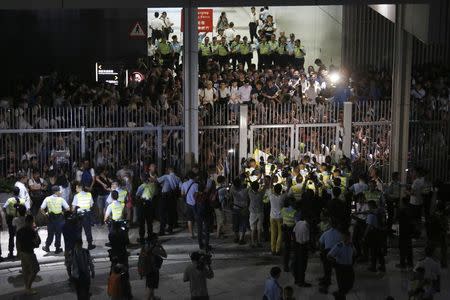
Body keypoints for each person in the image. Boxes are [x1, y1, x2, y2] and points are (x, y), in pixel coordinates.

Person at [16, 214, 41, 295]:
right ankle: (28, 288)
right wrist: (37, 233)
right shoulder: (32, 231)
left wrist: (19, 253)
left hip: (22, 253)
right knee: (35, 270)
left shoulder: (20, 230)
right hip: (30, 253)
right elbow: (37, 244)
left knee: (25, 271)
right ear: (31, 222)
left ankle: (27, 288)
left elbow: (17, 243)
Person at [41, 185, 70, 254]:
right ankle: (57, 249)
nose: (60, 192)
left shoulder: (47, 199)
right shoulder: (61, 199)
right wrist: (63, 213)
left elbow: (42, 208)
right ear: (56, 192)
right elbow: (68, 209)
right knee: (58, 234)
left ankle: (47, 247)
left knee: (50, 234)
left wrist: (45, 214)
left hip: (50, 218)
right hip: (59, 218)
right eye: (59, 191)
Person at [138, 234, 167, 300]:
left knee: (150, 284)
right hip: (153, 269)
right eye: (157, 238)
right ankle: (148, 298)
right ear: (154, 240)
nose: (158, 240)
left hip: (146, 268)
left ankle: (153, 297)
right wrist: (161, 247)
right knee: (152, 286)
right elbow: (165, 255)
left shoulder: (145, 246)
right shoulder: (155, 248)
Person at [327, 231, 355, 300]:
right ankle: (340, 296)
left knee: (350, 284)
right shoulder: (338, 246)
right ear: (342, 238)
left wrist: (353, 261)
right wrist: (335, 263)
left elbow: (354, 253)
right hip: (340, 268)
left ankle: (339, 294)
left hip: (349, 267)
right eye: (344, 237)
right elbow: (329, 255)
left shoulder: (351, 245)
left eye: (348, 237)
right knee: (342, 286)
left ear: (350, 237)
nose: (346, 239)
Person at [3, 187, 27, 259]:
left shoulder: (9, 200)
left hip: (11, 219)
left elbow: (4, 207)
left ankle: (11, 253)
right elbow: (26, 209)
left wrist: (7, 213)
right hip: (20, 219)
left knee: (11, 236)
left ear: (12, 192)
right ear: (19, 192)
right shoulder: (22, 200)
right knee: (20, 237)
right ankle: (20, 253)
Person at [318, 224, 342, 293]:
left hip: (328, 254)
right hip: (337, 255)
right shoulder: (340, 234)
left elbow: (320, 243)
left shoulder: (326, 233)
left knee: (327, 268)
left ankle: (326, 283)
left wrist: (321, 252)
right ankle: (339, 285)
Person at [72, 182, 96, 250]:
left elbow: (73, 207)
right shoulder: (89, 194)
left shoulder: (76, 196)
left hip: (79, 214)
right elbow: (91, 204)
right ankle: (90, 245)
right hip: (87, 214)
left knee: (78, 231)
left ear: (80, 188)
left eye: (76, 187)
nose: (75, 189)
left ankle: (79, 246)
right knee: (88, 230)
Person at [157, 166, 181, 235]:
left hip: (164, 196)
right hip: (172, 196)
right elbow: (180, 187)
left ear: (169, 170)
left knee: (162, 213)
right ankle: (170, 229)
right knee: (170, 213)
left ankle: (162, 230)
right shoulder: (178, 178)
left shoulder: (166, 176)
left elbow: (157, 180)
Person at [136, 174, 157, 244]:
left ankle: (142, 238)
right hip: (150, 204)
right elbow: (154, 194)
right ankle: (150, 236)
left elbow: (137, 195)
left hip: (143, 204)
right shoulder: (153, 185)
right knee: (149, 222)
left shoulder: (142, 186)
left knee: (141, 222)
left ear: (142, 179)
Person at [292, 212, 312, 287]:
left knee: (297, 263)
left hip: (296, 245)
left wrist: (295, 243)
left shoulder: (298, 223)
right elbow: (306, 240)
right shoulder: (306, 226)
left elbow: (293, 232)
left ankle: (296, 280)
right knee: (302, 265)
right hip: (302, 247)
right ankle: (301, 281)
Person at [267, 183, 286, 255]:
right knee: (280, 234)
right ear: (280, 190)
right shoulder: (282, 197)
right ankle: (278, 249)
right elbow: (288, 190)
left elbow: (269, 186)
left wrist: (272, 177)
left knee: (273, 233)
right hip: (280, 217)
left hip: (272, 217)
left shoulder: (271, 196)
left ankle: (273, 249)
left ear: (274, 190)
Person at [230, 177, 249, 244]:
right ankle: (241, 239)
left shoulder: (233, 190)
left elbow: (233, 185)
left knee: (235, 223)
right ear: (240, 184)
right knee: (243, 224)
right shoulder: (245, 191)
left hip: (235, 208)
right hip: (243, 209)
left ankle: (236, 237)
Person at [62, 211, 81, 278]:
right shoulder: (71, 224)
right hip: (74, 247)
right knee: (74, 263)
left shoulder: (65, 225)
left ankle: (70, 276)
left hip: (68, 248)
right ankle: (73, 276)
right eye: (71, 216)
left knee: (69, 264)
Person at [396, 197, 414, 269]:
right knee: (409, 247)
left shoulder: (402, 210)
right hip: (409, 231)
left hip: (403, 231)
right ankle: (410, 262)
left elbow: (397, 218)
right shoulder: (411, 209)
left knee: (402, 248)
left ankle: (402, 263)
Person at [181, 172, 199, 239]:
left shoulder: (184, 184)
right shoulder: (196, 185)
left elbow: (182, 194)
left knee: (189, 219)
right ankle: (199, 232)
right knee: (197, 219)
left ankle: (191, 234)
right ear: (194, 177)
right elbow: (196, 195)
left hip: (188, 204)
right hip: (195, 204)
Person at [281, 197, 296, 272]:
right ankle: (293, 265)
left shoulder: (283, 210)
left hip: (285, 230)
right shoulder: (295, 211)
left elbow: (281, 217)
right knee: (294, 249)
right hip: (293, 230)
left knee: (286, 248)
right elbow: (296, 221)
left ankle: (285, 266)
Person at [249, 181, 265, 247]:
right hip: (260, 212)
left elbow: (250, 187)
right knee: (259, 228)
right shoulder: (261, 193)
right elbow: (264, 188)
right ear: (258, 187)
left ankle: (253, 242)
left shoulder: (250, 193)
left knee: (253, 229)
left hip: (253, 213)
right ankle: (259, 242)